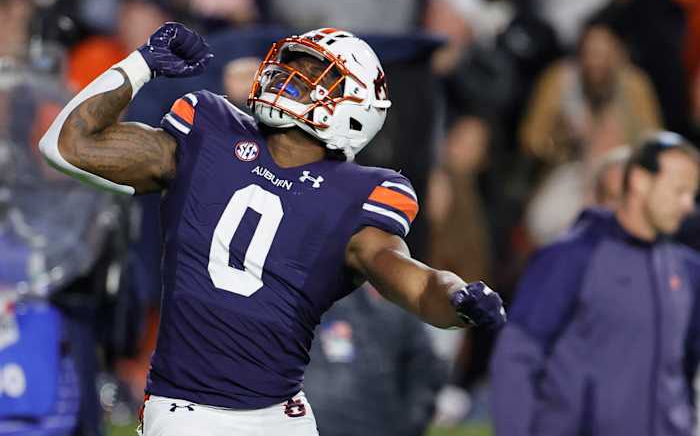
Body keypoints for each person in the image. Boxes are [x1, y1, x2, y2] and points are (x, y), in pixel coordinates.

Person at [38, 22, 506, 436]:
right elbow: (67, 145)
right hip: (189, 411)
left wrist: (458, 298)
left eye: (314, 74)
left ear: (357, 108)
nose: (289, 77)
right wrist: (140, 65)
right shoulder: (211, 131)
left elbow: (414, 280)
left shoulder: (358, 194)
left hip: (282, 414)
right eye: (290, 65)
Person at [490, 131, 700, 436]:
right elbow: (517, 358)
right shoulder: (569, 258)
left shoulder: (686, 270)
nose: (688, 206)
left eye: (692, 195)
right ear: (640, 181)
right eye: (679, 191)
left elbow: (686, 369)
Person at [304, 283, 447, 436]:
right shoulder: (296, 303)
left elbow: (425, 373)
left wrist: (410, 426)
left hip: (374, 425)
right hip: (316, 424)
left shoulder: (396, 309)